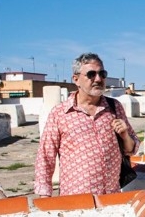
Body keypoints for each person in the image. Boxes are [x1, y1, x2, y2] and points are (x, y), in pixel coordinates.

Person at [35, 52, 139, 197]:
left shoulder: (115, 107)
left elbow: (131, 150)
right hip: (76, 200)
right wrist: (44, 195)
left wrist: (125, 135)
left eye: (102, 74)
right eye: (91, 74)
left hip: (111, 199)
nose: (98, 79)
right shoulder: (60, 113)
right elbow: (46, 156)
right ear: (76, 79)